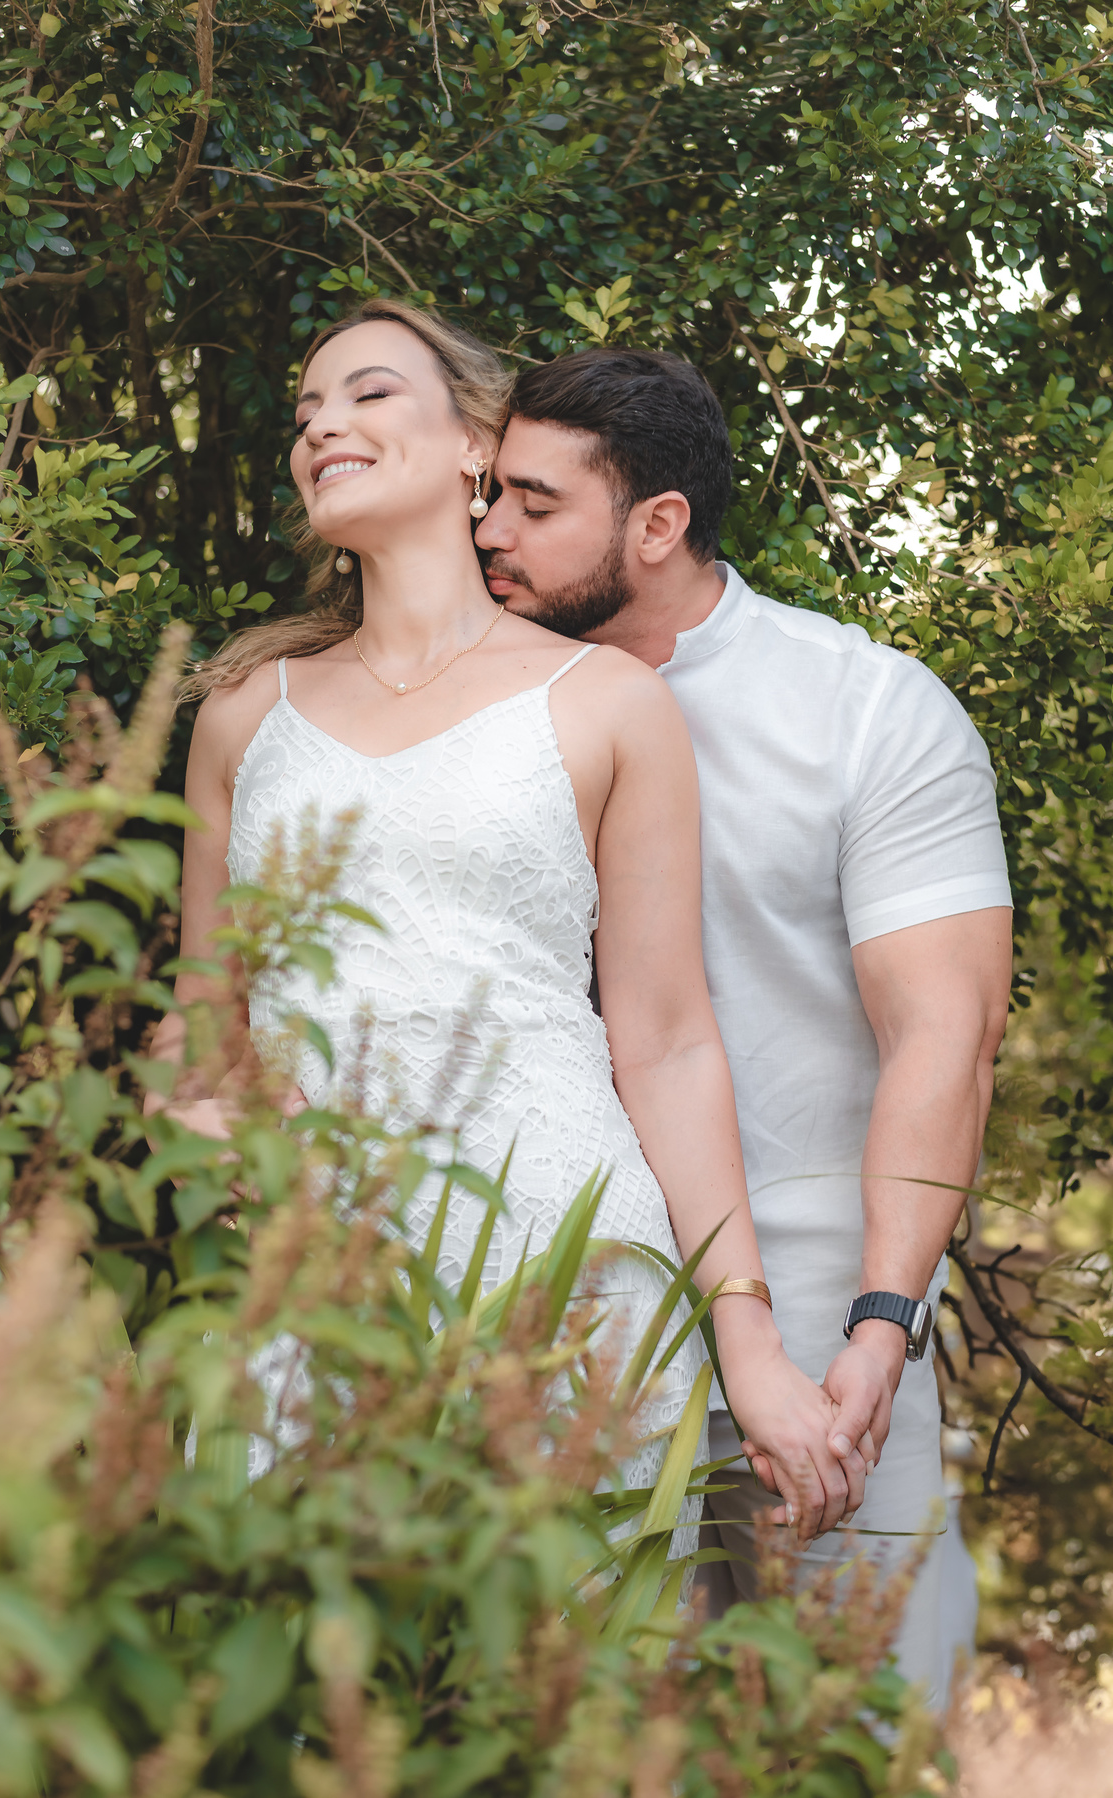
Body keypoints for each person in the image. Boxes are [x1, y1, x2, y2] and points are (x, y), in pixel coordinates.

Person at [149, 299, 869, 1541]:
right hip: (299, 1292)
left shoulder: (610, 704)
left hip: (567, 1268)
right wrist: (234, 1205)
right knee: (304, 1714)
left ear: (478, 444)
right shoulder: (241, 715)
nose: (323, 425)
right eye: (306, 410)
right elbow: (200, 1029)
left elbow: (667, 1039)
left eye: (367, 394)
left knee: (566, 1709)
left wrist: (745, 1342)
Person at [474, 346, 1013, 1704]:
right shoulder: (462, 720)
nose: (490, 529)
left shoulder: (866, 711)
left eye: (535, 504)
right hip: (547, 1331)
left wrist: (881, 1328)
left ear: (657, 525)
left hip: (830, 1349)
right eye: (490, 496)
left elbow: (943, 1035)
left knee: (861, 1737)